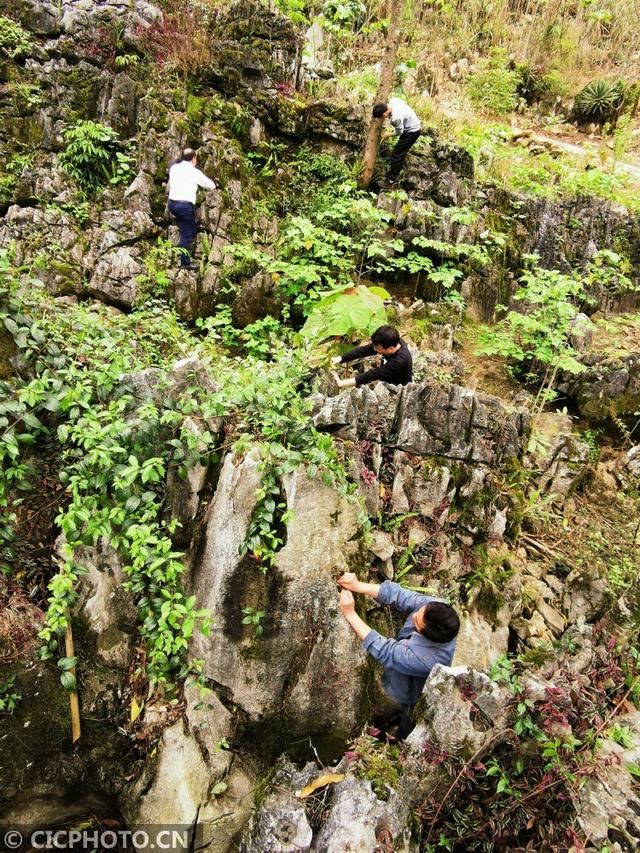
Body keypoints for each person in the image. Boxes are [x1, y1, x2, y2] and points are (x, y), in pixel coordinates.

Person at [337, 574, 459, 740]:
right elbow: (400, 595)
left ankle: (399, 737)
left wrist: (350, 614)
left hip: (410, 691)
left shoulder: (427, 660)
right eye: (419, 612)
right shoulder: (435, 608)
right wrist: (358, 586)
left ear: (425, 635)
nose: (414, 615)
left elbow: (386, 651)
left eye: (417, 621)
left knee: (408, 715)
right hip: (403, 664)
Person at [168, 148, 216, 269]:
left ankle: (177, 249)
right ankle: (185, 263)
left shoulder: (174, 168)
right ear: (193, 158)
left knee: (186, 227)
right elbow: (210, 185)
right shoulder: (194, 172)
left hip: (172, 205)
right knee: (187, 234)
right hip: (185, 206)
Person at [331, 325, 412, 389]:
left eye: (377, 348)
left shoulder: (399, 360)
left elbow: (373, 374)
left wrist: (342, 383)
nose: (374, 349)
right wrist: (340, 358)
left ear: (390, 348)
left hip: (398, 390)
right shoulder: (392, 341)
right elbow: (364, 350)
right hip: (387, 381)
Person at [372, 97, 422, 186]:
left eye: (382, 117)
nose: (383, 119)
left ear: (385, 113)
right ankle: (395, 174)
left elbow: (400, 132)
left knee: (396, 155)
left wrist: (389, 134)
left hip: (412, 132)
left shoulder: (395, 118)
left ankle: (391, 180)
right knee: (399, 152)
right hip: (412, 123)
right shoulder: (393, 100)